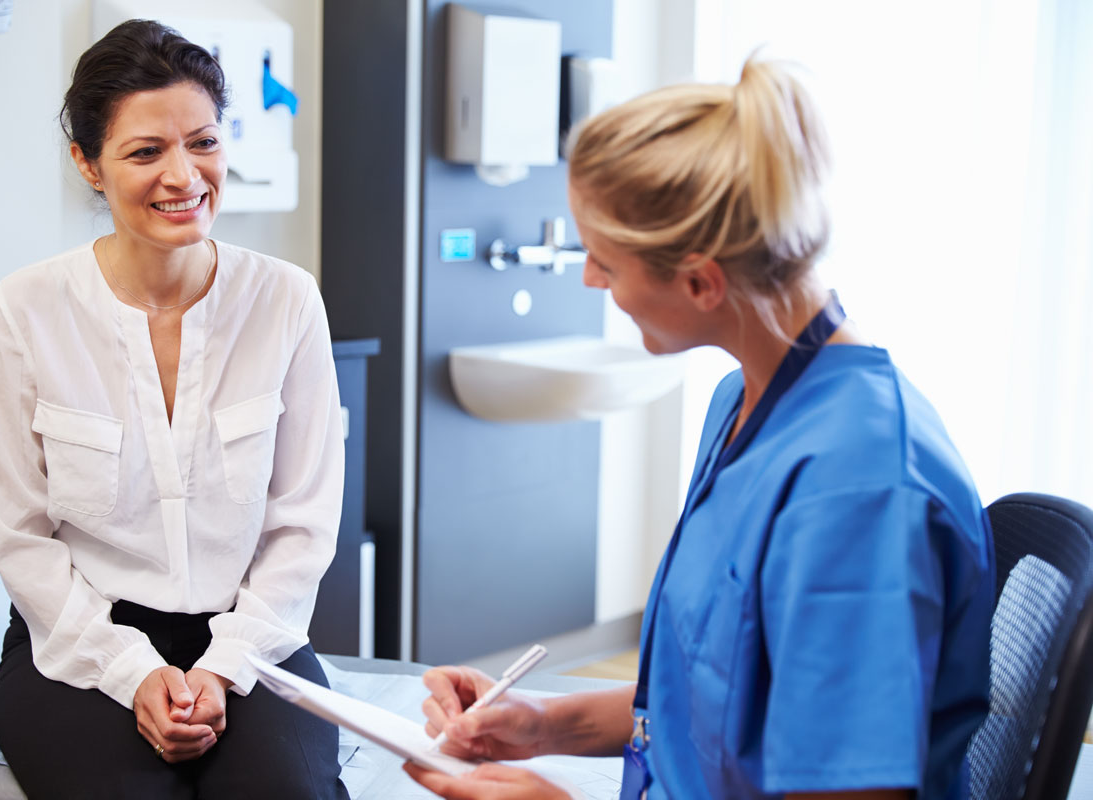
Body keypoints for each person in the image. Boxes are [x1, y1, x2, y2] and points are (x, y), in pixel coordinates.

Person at [406, 58, 995, 800]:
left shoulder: (860, 491)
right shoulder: (743, 404)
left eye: (605, 261)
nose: (590, 279)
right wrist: (545, 723)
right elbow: (715, 699)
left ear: (700, 281)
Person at [0, 19, 349, 799]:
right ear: (88, 164)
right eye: (146, 152)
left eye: (203, 142)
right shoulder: (27, 309)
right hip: (79, 640)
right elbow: (21, 535)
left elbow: (303, 524)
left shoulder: (286, 301)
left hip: (250, 635)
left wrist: (223, 664)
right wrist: (131, 670)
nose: (185, 175)